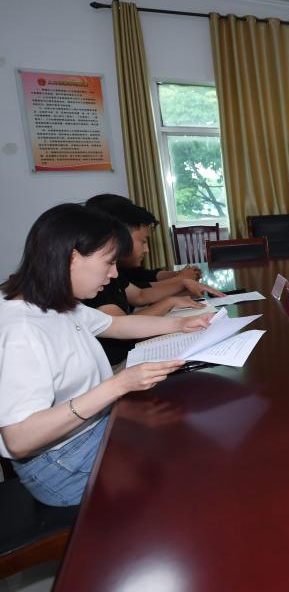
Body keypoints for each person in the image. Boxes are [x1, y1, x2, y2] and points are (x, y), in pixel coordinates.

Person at [0, 204, 213, 506]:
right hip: (60, 464)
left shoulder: (56, 302)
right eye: (108, 262)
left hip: (89, 429)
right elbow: (19, 439)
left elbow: (117, 325)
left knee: (185, 427)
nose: (114, 274)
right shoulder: (21, 329)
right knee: (185, 464)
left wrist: (182, 324)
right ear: (73, 258)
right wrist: (118, 385)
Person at [84, 196, 224, 365]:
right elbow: (122, 325)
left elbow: (140, 295)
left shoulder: (107, 274)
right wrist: (172, 301)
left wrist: (180, 290)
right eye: (142, 241)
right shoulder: (93, 283)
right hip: (120, 362)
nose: (114, 273)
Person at [84, 194, 202, 284]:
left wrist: (177, 275)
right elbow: (140, 294)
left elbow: (141, 276)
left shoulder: (121, 268)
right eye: (143, 241)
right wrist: (180, 280)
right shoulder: (102, 276)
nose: (147, 250)